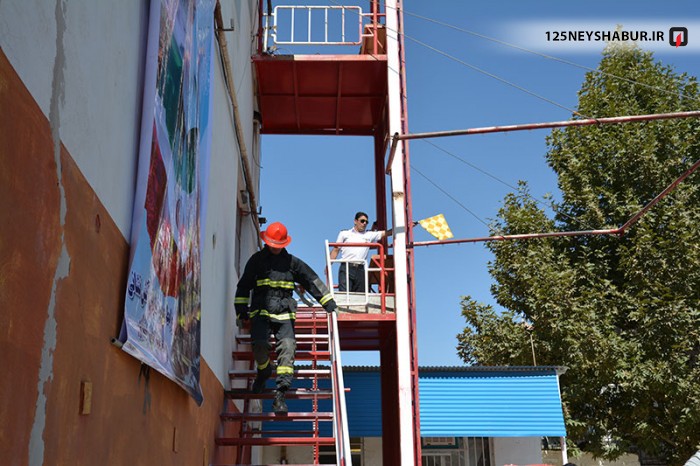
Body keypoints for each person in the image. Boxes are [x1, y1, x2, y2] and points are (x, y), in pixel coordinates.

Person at [234, 221, 337, 414]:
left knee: (288, 350)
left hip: (284, 313)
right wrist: (240, 310)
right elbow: (244, 286)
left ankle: (280, 396)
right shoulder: (256, 260)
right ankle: (264, 371)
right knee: (259, 345)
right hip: (261, 311)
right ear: (267, 242)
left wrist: (327, 302)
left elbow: (311, 280)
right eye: (272, 244)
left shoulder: (293, 263)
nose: (275, 248)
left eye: (277, 245)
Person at [330, 211, 392, 293]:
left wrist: (401, 227)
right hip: (346, 267)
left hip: (360, 269)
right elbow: (336, 249)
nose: (364, 223)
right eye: (362, 221)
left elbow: (386, 233)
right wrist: (328, 265)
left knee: (361, 295)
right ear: (355, 221)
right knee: (345, 294)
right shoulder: (344, 233)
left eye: (366, 222)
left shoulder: (369, 235)